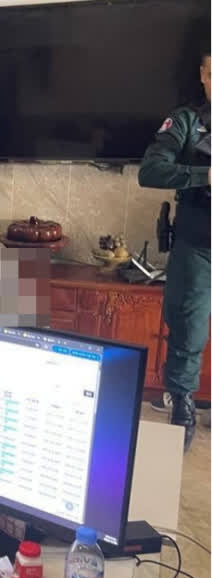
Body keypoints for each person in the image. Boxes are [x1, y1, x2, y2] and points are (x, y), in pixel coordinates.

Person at [139, 48, 211, 452]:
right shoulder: (186, 121)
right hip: (199, 245)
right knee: (188, 330)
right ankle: (182, 407)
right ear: (203, 75)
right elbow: (150, 170)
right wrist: (205, 175)